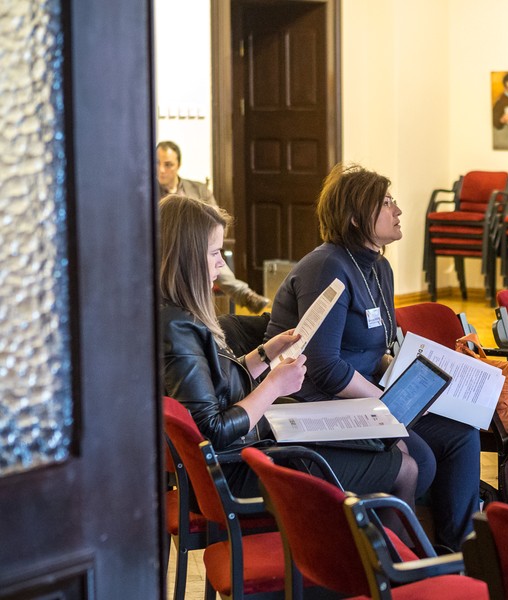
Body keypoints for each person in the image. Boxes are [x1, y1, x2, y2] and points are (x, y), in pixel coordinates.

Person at [266, 163, 481, 551]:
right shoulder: (327, 265)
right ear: (354, 217)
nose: (398, 210)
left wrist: (432, 372)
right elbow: (324, 366)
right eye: (385, 202)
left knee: (461, 436)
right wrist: (386, 404)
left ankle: (456, 556)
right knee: (421, 459)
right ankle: (391, 565)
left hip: (366, 396)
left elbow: (375, 350)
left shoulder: (378, 266)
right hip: (318, 403)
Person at [159, 194, 418, 511]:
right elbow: (212, 431)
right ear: (186, 257)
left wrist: (264, 355)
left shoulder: (178, 317)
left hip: (245, 453)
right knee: (403, 466)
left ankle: (369, 554)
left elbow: (215, 383)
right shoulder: (177, 328)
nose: (221, 263)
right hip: (234, 472)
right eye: (214, 252)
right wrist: (273, 387)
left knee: (392, 451)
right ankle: (391, 559)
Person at [157, 140, 270, 313]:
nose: (161, 170)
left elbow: (216, 221)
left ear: (178, 165)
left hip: (200, 244)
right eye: (157, 163)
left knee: (209, 255)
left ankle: (245, 296)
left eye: (168, 165)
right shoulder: (148, 192)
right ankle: (243, 294)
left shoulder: (198, 189)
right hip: (169, 250)